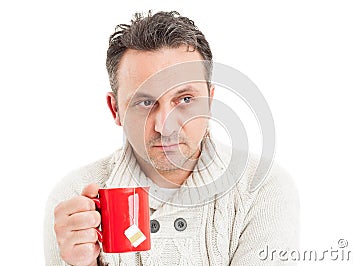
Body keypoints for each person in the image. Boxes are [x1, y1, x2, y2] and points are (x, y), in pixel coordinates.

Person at [44, 10, 299, 266]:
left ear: (209, 102)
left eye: (185, 99)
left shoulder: (263, 189)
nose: (165, 127)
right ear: (116, 109)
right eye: (144, 102)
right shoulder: (73, 199)